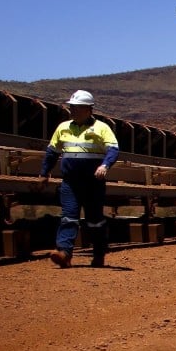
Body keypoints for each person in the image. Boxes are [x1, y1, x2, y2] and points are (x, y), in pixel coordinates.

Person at [38, 90, 119, 268]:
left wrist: (104, 166)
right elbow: (52, 152)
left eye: (76, 108)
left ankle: (99, 254)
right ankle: (64, 253)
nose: (72, 110)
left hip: (93, 183)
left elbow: (113, 149)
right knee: (69, 217)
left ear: (89, 110)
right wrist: (44, 174)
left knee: (95, 220)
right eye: (71, 107)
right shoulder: (63, 127)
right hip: (70, 182)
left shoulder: (101, 128)